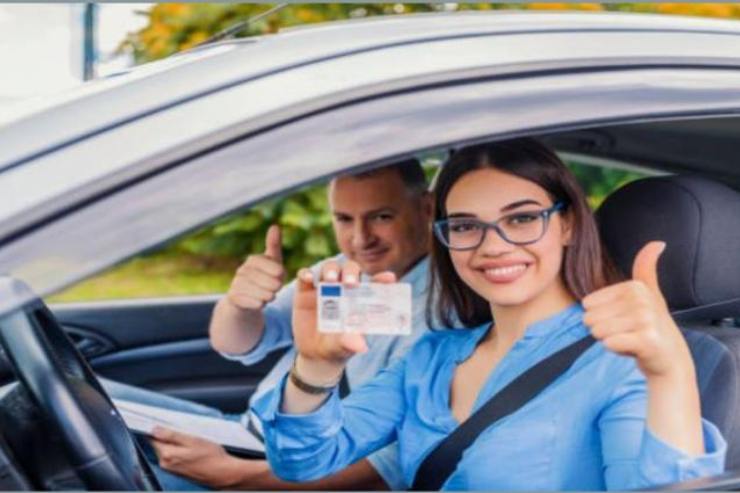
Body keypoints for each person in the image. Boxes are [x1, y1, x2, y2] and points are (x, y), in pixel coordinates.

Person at [252, 138, 726, 490]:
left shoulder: (620, 363)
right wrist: (315, 368)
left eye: (521, 218)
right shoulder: (432, 357)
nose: (493, 246)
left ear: (566, 224)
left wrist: (671, 372)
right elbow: (303, 463)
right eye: (465, 226)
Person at [102, 159, 434, 490]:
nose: (361, 239)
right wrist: (241, 305)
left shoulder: (445, 313)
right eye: (344, 219)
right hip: (246, 434)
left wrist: (233, 476)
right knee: (92, 398)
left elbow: (389, 464)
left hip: (280, 475)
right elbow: (236, 343)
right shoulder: (339, 270)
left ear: (427, 208)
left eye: (382, 217)